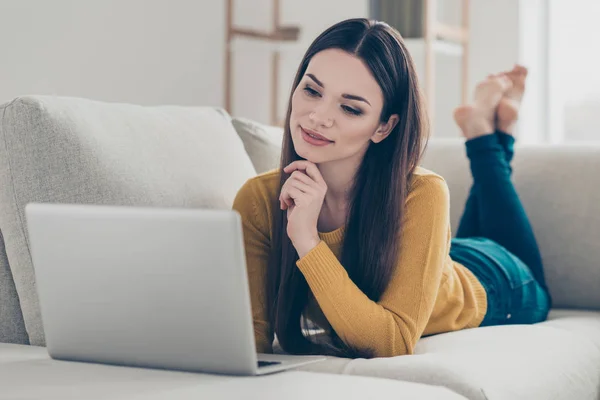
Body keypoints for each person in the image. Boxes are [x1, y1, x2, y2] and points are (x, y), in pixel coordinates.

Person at [232, 18, 551, 359]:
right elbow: (247, 339)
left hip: (494, 283)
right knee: (450, 251)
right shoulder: (258, 199)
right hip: (436, 264)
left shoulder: (422, 193)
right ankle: (494, 126)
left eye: (350, 108)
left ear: (384, 127)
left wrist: (307, 240)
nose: (318, 117)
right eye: (311, 90)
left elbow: (391, 341)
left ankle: (488, 134)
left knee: (535, 281)